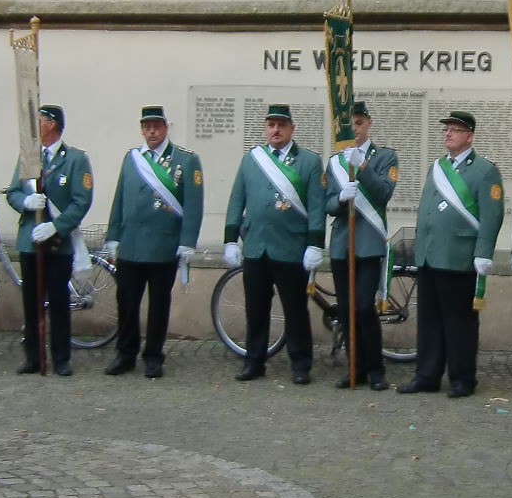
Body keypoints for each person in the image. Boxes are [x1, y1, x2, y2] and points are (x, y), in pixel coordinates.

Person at [402, 111, 504, 399]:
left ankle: (462, 378)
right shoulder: (437, 167)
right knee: (429, 321)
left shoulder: (484, 171)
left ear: (469, 136)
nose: (448, 134)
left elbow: (492, 214)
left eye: (455, 130)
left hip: (460, 255)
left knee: (459, 322)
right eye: (446, 129)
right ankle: (427, 375)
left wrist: (483, 251)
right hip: (430, 254)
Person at [223, 103, 327, 382]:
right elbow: (237, 199)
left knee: (295, 310)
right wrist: (230, 240)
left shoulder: (309, 161)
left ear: (292, 128)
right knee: (255, 309)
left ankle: (301, 364)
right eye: (271, 125)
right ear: (266, 129)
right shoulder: (251, 159)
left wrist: (315, 244)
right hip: (256, 246)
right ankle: (254, 362)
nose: (276, 130)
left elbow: (317, 206)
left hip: (291, 248)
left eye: (281, 125)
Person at [102, 105, 204, 378]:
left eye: (156, 127)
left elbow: (194, 205)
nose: (152, 132)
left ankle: (153, 356)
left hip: (163, 245)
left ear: (165, 128)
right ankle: (125, 354)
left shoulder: (185, 160)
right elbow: (119, 199)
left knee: (159, 305)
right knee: (126, 303)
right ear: (141, 130)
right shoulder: (132, 158)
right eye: (147, 127)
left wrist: (187, 241)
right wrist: (113, 236)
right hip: (131, 245)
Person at [7, 103, 93, 375]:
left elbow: (81, 201)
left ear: (52, 124)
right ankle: (33, 357)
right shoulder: (29, 156)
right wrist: (25, 202)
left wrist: (57, 227)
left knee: (58, 302)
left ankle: (60, 358)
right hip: (30, 240)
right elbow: (13, 191)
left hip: (58, 243)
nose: (35, 125)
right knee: (31, 303)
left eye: (40, 120)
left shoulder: (75, 159)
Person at [326, 100, 399, 391]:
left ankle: (376, 369)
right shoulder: (335, 162)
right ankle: (354, 368)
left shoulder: (385, 157)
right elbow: (327, 204)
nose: (354, 129)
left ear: (368, 123)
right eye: (349, 124)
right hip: (342, 243)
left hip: (368, 244)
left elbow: (383, 194)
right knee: (346, 309)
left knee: (363, 307)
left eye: (358, 123)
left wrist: (362, 166)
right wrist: (340, 198)